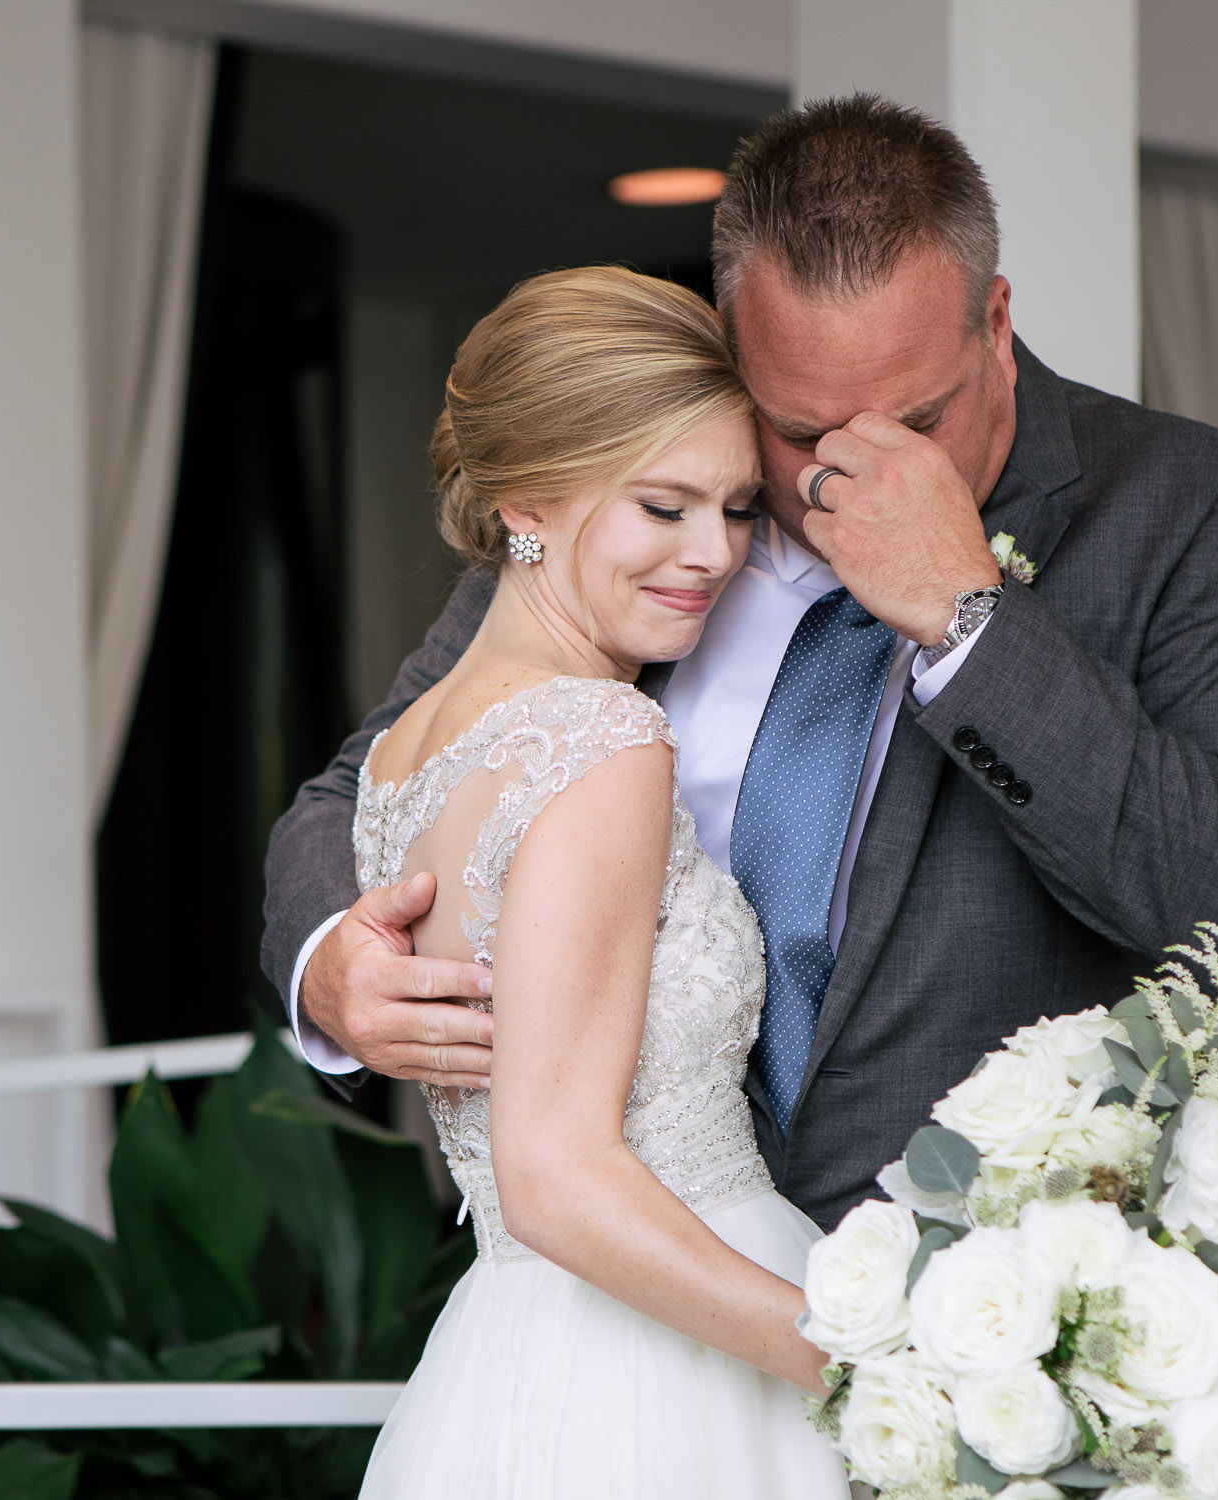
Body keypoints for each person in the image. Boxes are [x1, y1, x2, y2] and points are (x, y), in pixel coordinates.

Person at [263, 94, 1218, 1234]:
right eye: (797, 432)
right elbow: (365, 788)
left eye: (917, 423)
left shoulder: (1195, 508)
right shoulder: (627, 521)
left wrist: (970, 620)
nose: (854, 474)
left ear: (993, 322)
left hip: (990, 1305)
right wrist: (334, 962)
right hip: (631, 1293)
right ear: (736, 348)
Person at [349, 264, 847, 1498]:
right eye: (663, 507)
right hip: (667, 1358)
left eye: (736, 508)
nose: (715, 554)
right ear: (528, 501)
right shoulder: (601, 743)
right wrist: (863, 1364)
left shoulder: (406, 753)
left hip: (516, 1351)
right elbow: (558, 1177)